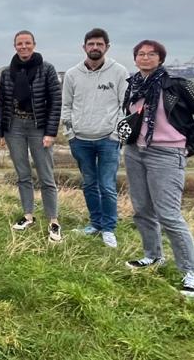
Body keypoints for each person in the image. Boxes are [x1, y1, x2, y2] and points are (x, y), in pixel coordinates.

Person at [122, 40, 194, 297]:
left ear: (161, 58)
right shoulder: (133, 85)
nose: (145, 57)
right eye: (140, 54)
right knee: (142, 209)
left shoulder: (177, 85)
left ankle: (193, 273)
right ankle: (153, 256)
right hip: (135, 151)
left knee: (169, 214)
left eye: (151, 54)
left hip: (166, 153)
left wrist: (190, 143)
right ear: (135, 58)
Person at [61, 28, 128, 248]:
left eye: (100, 44)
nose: (95, 47)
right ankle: (95, 223)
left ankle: (109, 228)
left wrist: (116, 134)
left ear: (107, 47)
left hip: (108, 139)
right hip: (80, 139)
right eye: (91, 44)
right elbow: (66, 106)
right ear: (84, 47)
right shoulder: (72, 74)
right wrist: (70, 133)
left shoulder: (119, 72)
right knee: (89, 184)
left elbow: (124, 106)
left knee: (107, 185)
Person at [0, 30, 63, 242]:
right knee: (23, 174)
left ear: (34, 44)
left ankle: (53, 220)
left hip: (38, 127)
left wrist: (51, 132)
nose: (23, 47)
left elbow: (55, 102)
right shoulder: (7, 72)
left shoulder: (47, 69)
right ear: (15, 46)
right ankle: (28, 215)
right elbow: (2, 103)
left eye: (27, 43)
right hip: (14, 126)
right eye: (19, 43)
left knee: (46, 175)